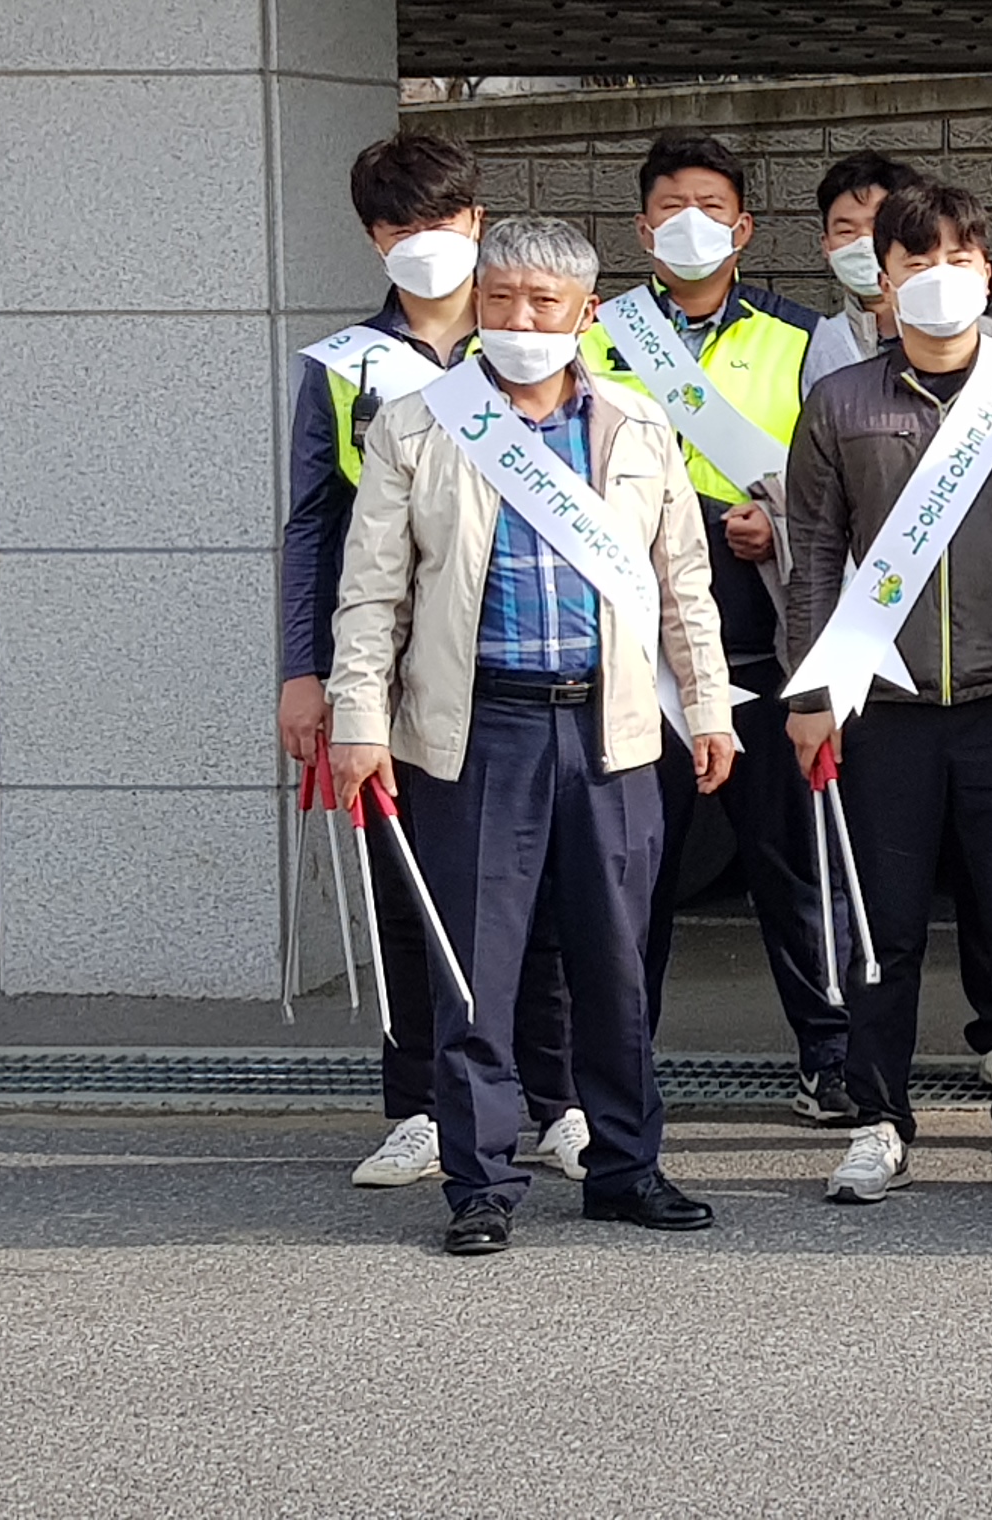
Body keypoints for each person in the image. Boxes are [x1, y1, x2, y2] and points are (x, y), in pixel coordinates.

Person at [324, 215, 740, 1256]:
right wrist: (357, 720)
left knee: (617, 961)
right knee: (475, 967)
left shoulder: (640, 426)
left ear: (584, 314)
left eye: (542, 303)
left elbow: (683, 583)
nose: (518, 319)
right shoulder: (420, 423)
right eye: (500, 298)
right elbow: (371, 593)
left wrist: (712, 703)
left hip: (611, 729)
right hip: (476, 733)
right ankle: (480, 1181)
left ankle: (626, 1166)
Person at [777, 178, 992, 1208]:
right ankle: (879, 1118)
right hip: (881, 705)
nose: (939, 280)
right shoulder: (842, 401)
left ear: (987, 274)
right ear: (882, 282)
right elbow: (812, 559)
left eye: (960, 260)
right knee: (884, 924)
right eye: (915, 261)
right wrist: (806, 694)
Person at [277, 135, 592, 1192]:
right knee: (415, 900)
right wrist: (304, 671)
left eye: (443, 221)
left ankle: (554, 1101)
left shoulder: (541, 346)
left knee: (542, 898)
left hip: (518, 666)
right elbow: (311, 530)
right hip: (393, 682)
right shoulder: (344, 368)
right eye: (398, 226)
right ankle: (417, 1105)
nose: (425, 243)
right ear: (374, 238)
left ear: (476, 220)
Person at [581, 131, 839, 1117]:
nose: (691, 223)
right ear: (643, 228)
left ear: (744, 227)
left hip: (761, 639)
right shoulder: (591, 337)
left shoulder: (801, 337)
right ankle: (615, 1072)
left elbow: (837, 489)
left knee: (791, 863)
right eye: (671, 205)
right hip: (632, 652)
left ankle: (829, 1052)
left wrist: (779, 521)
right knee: (631, 876)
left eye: (710, 205)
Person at [800, 150, 924, 392]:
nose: (865, 243)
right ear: (826, 246)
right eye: (846, 231)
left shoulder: (972, 337)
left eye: (877, 227)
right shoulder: (815, 347)